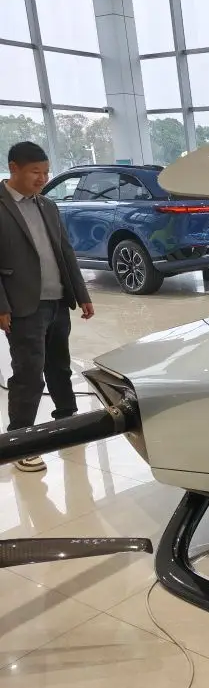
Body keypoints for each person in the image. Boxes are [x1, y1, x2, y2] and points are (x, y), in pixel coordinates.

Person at [0, 141, 94, 472]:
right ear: (14, 168)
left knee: (60, 367)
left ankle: (67, 422)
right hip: (22, 305)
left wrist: (81, 294)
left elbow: (65, 252)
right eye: (35, 172)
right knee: (28, 374)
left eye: (46, 172)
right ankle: (20, 442)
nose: (42, 179)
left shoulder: (48, 205)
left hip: (57, 301)